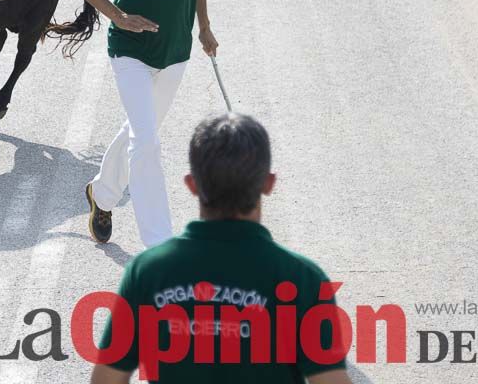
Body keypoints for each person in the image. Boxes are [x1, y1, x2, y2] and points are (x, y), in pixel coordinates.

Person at [88, 113, 351, 384]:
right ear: (269, 184)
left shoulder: (148, 272)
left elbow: (106, 380)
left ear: (191, 184)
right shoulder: (303, 279)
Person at [69, 0, 216, 248]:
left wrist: (204, 25)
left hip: (175, 53)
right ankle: (159, 244)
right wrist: (117, 16)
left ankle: (101, 195)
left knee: (139, 131)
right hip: (130, 51)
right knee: (147, 143)